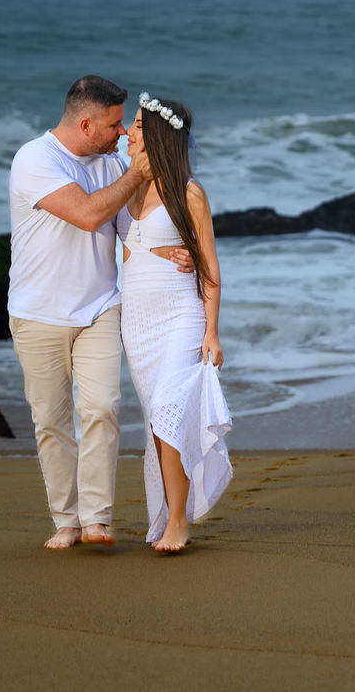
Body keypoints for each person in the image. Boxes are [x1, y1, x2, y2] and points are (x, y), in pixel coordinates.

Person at [7, 75, 189, 550]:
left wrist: (178, 253)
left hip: (100, 308)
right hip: (37, 313)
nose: (122, 132)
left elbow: (137, 229)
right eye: (113, 124)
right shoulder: (34, 159)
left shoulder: (111, 165)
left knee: (103, 407)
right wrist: (137, 172)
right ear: (85, 124)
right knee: (51, 420)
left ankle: (96, 519)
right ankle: (66, 521)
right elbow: (88, 214)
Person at [116, 92, 233, 553]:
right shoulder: (123, 186)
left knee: (169, 413)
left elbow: (209, 270)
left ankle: (179, 523)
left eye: (138, 126)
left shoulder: (190, 193)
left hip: (180, 315)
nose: (128, 131)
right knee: (157, 422)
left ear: (158, 136)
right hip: (137, 324)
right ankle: (170, 517)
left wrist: (211, 332)